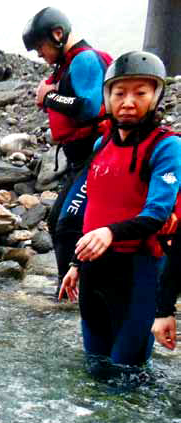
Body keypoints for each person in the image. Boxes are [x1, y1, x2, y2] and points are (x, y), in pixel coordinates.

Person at [58, 52, 181, 374]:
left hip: (137, 271)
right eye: (119, 93)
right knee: (95, 366)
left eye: (140, 93)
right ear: (108, 98)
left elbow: (158, 213)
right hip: (93, 270)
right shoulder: (103, 143)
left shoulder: (167, 146)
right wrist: (75, 263)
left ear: (156, 96)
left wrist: (110, 232)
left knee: (128, 371)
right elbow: (92, 208)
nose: (128, 101)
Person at [22, 7, 112, 288]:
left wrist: (50, 98)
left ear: (57, 34)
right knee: (56, 220)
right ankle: (70, 289)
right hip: (79, 159)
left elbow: (88, 109)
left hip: (96, 155)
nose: (39, 54)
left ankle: (73, 293)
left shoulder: (84, 60)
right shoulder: (67, 65)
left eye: (40, 47)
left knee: (68, 223)